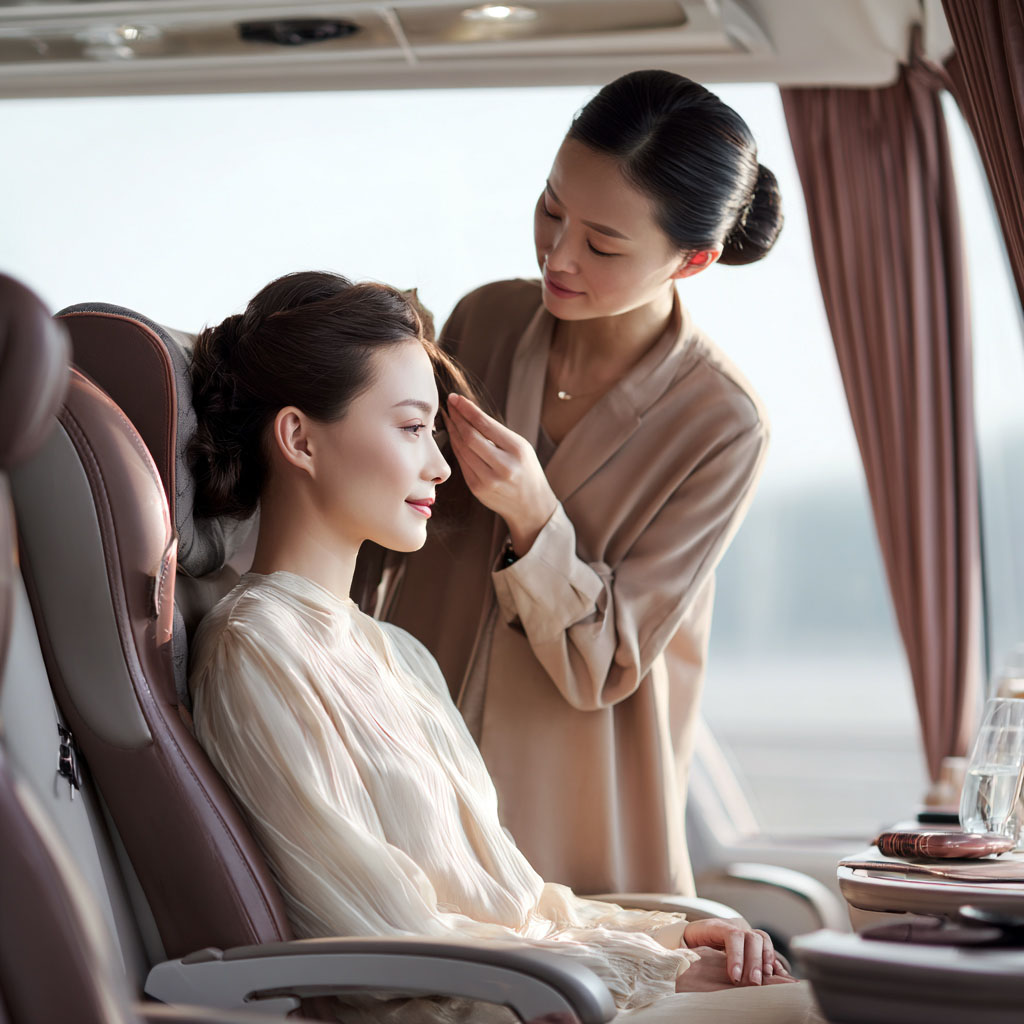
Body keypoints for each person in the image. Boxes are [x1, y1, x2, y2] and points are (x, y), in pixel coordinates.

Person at [187, 272, 820, 1023]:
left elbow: (520, 904)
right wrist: (652, 971)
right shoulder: (255, 648)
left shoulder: (398, 656)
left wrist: (672, 935)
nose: (442, 467)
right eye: (411, 428)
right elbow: (384, 936)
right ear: (298, 437)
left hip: (545, 989)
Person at [356, 69, 781, 898]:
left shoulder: (722, 424)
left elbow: (608, 666)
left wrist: (535, 515)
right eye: (552, 209)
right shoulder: (484, 320)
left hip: (577, 806)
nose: (558, 255)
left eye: (605, 244)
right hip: (416, 761)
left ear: (692, 261)